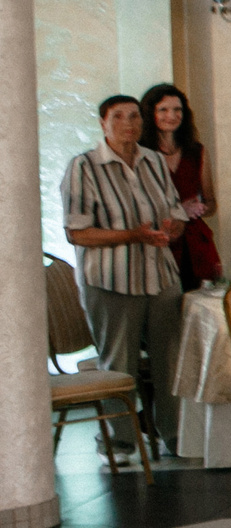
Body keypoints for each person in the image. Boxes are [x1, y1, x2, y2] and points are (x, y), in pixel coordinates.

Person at [59, 93, 187, 454]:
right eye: (118, 117)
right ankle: (121, 442)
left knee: (170, 358)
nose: (128, 123)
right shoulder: (84, 166)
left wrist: (171, 229)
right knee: (119, 363)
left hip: (160, 276)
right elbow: (77, 232)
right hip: (111, 280)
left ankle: (174, 435)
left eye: (134, 116)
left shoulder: (154, 162)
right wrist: (133, 235)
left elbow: (176, 212)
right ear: (103, 123)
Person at [139, 82, 221, 289]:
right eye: (163, 110)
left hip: (194, 242)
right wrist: (179, 210)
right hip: (158, 240)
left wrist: (200, 208)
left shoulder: (196, 151)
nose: (172, 116)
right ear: (150, 113)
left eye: (177, 110)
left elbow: (211, 202)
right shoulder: (140, 153)